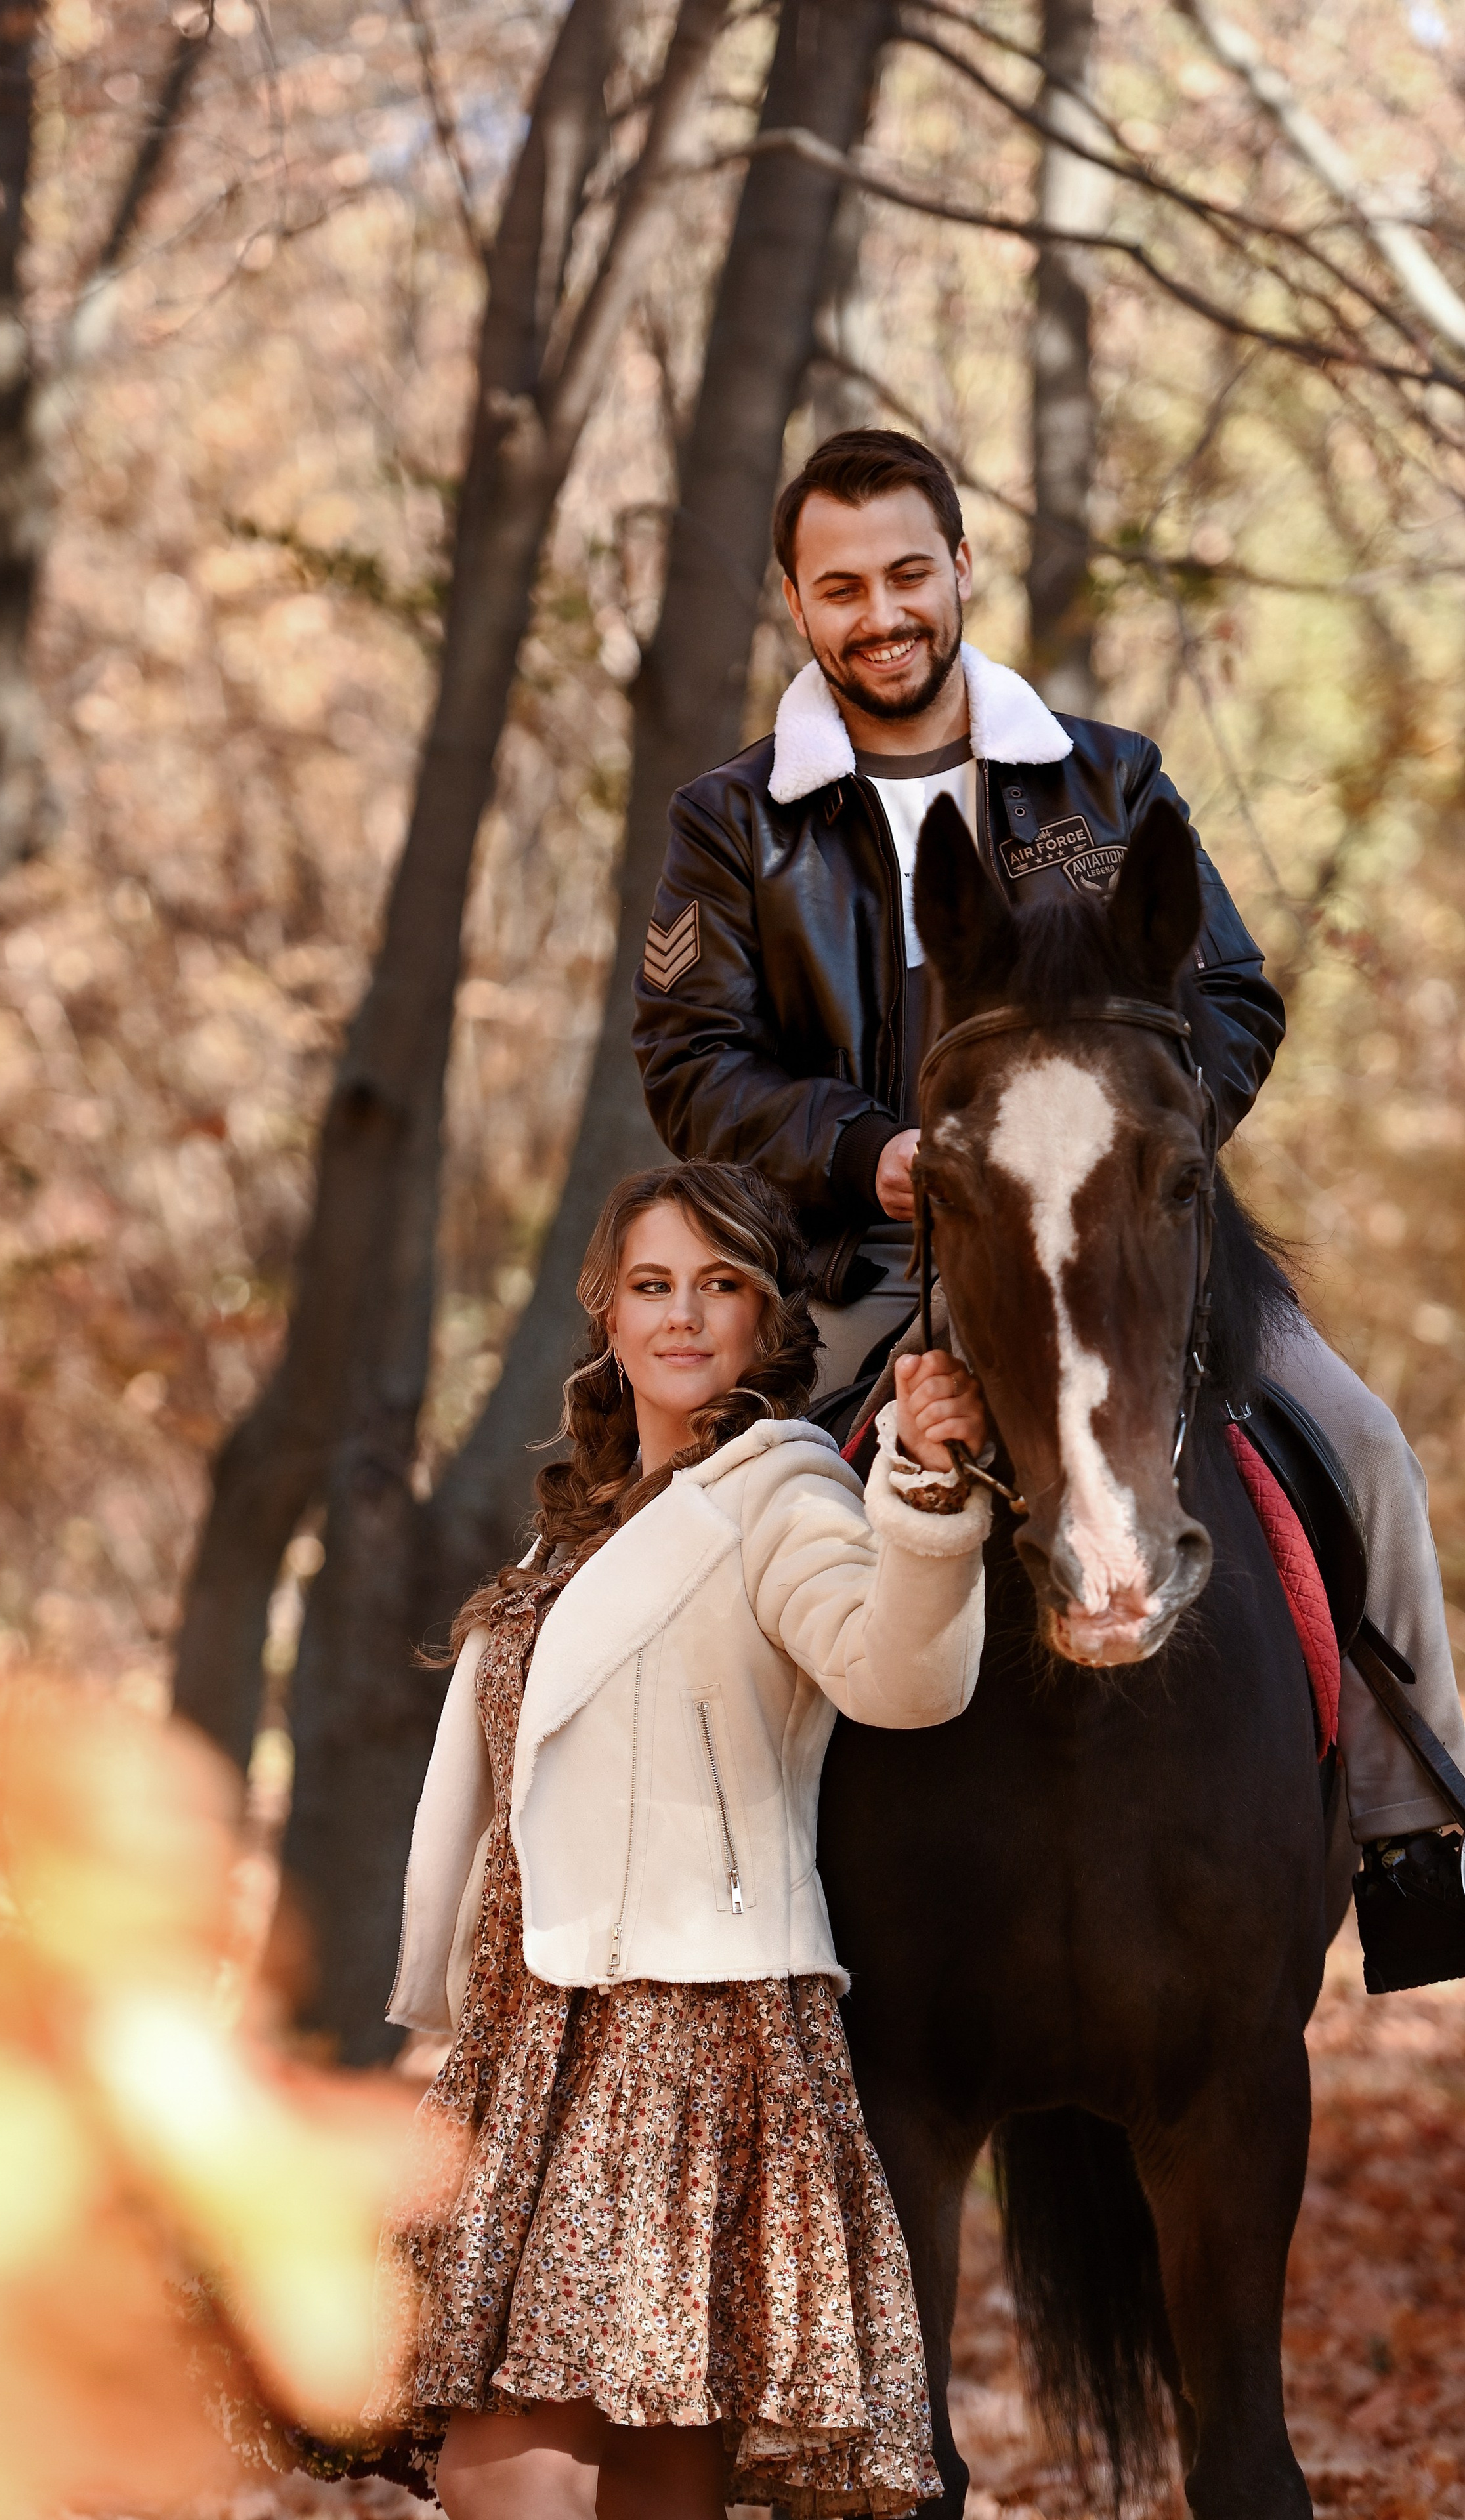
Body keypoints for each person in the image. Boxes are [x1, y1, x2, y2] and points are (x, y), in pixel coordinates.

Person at [631, 425, 1465, 1988]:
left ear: (960, 569)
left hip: (1121, 1246)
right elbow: (688, 1063)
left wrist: (1123, 1153)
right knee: (695, 1536)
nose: (878, 613)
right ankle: (690, 1924)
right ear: (796, 611)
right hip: (854, 1256)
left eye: (903, 573)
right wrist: (861, 1149)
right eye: (837, 589)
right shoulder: (729, 825)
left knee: (1357, 1441)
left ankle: (1413, 1832)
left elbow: (1227, 994)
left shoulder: (1104, 777)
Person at [366, 1159, 990, 2519]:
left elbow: (900, 1675)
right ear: (604, 1312)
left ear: (770, 1322)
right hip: (535, 2042)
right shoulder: (570, 1529)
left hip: (693, 2037)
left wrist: (928, 1501)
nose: (682, 1317)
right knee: (632, 2472)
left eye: (721, 1287)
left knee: (511, 2468)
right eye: (650, 1286)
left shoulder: (781, 1497)